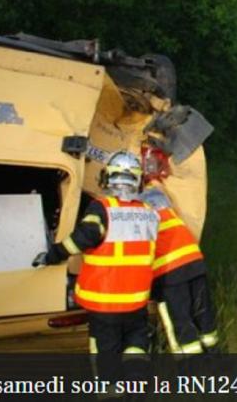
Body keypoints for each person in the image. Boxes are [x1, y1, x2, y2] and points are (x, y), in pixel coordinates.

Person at [33, 151, 160, 356]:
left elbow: (81, 240)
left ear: (108, 177)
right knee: (136, 346)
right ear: (137, 179)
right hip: (136, 302)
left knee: (106, 354)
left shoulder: (102, 208)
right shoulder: (149, 212)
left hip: (105, 302)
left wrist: (51, 256)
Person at [138, 185, 220, 354]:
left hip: (170, 272)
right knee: (204, 316)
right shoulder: (161, 202)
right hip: (194, 261)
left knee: (180, 322)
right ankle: (216, 359)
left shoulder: (131, 216)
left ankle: (191, 370)